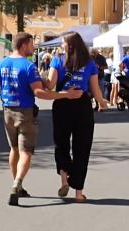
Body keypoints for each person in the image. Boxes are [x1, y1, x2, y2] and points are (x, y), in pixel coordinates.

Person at [0, 32, 83, 206]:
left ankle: (17, 184)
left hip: (7, 111)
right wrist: (65, 95)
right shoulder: (28, 67)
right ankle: (17, 183)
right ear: (23, 45)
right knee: (26, 152)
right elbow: (40, 92)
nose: (34, 47)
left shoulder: (0, 64)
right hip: (25, 113)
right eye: (31, 44)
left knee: (14, 149)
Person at [46, 31, 109, 202]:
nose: (61, 45)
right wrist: (102, 102)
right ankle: (78, 193)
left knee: (61, 143)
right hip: (83, 105)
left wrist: (37, 81)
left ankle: (64, 180)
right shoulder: (90, 63)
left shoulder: (57, 60)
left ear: (70, 45)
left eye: (63, 43)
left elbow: (50, 84)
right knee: (82, 147)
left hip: (62, 103)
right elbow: (95, 89)